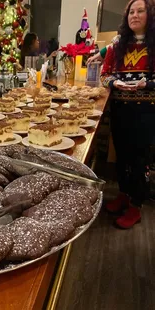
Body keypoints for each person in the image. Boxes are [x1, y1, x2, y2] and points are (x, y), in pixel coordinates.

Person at [100, 0, 155, 229]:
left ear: (149, 15)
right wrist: (116, 83)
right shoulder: (117, 45)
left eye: (140, 11)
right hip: (121, 107)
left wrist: (146, 84)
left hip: (146, 110)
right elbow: (104, 74)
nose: (135, 15)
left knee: (139, 158)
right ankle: (123, 194)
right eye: (131, 11)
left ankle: (136, 205)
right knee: (122, 155)